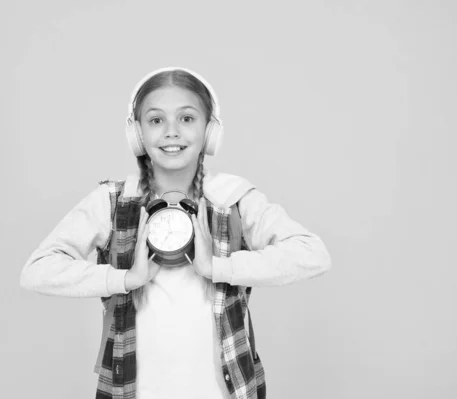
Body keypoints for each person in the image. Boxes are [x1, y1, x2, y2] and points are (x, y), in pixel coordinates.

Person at [20, 67, 332, 399]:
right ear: (137, 134)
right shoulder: (113, 202)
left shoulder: (233, 199)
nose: (172, 132)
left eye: (186, 119)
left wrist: (218, 267)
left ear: (210, 131)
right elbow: (36, 271)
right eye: (156, 120)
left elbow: (313, 255)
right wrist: (125, 278)